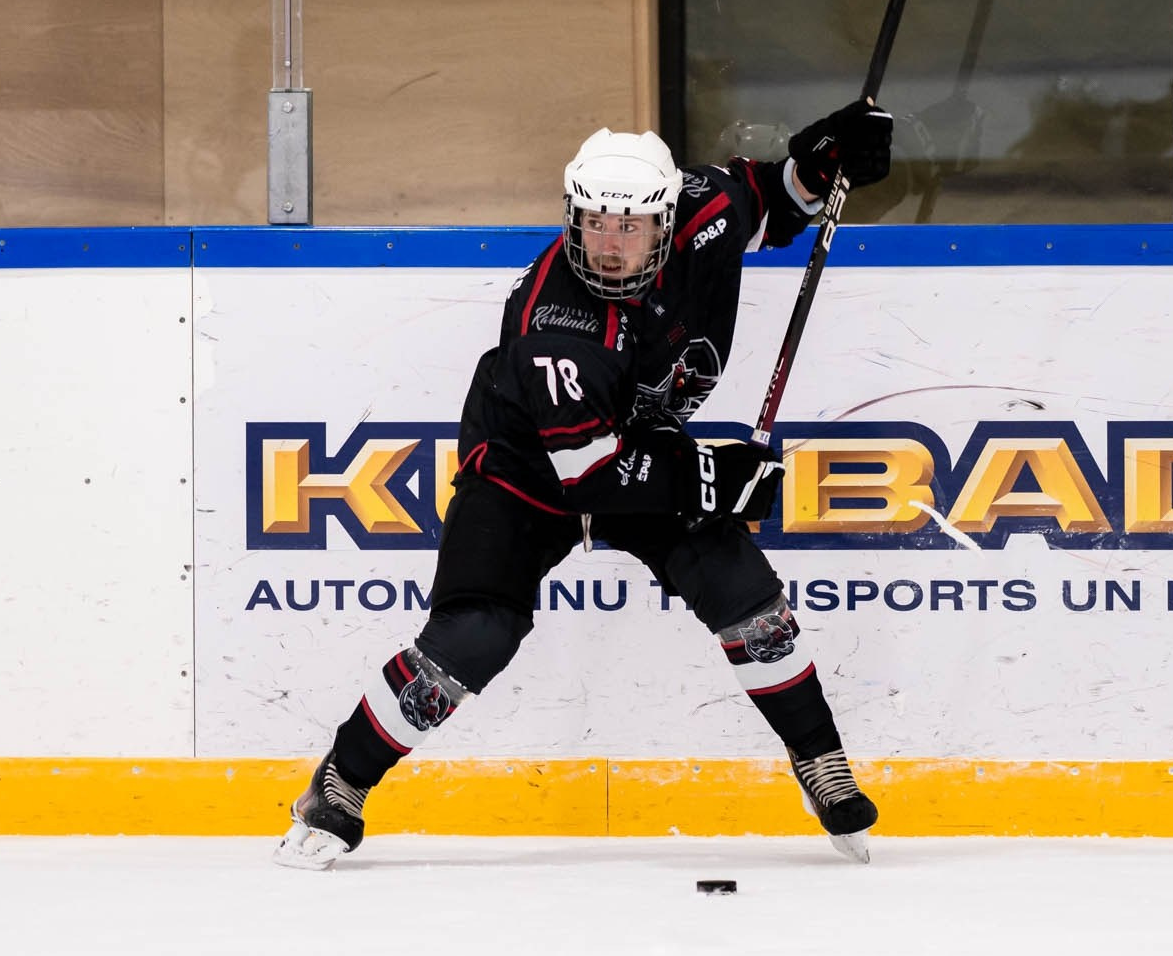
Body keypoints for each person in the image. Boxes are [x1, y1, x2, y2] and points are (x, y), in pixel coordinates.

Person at [274, 99, 896, 871]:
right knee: (473, 638)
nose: (607, 243)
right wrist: (714, 474)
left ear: (667, 219)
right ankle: (340, 780)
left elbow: (772, 196)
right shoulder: (555, 321)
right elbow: (597, 478)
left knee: (751, 604)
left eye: (628, 227)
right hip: (525, 474)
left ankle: (820, 761)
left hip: (641, 448)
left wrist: (821, 163)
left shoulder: (704, 208)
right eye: (594, 222)